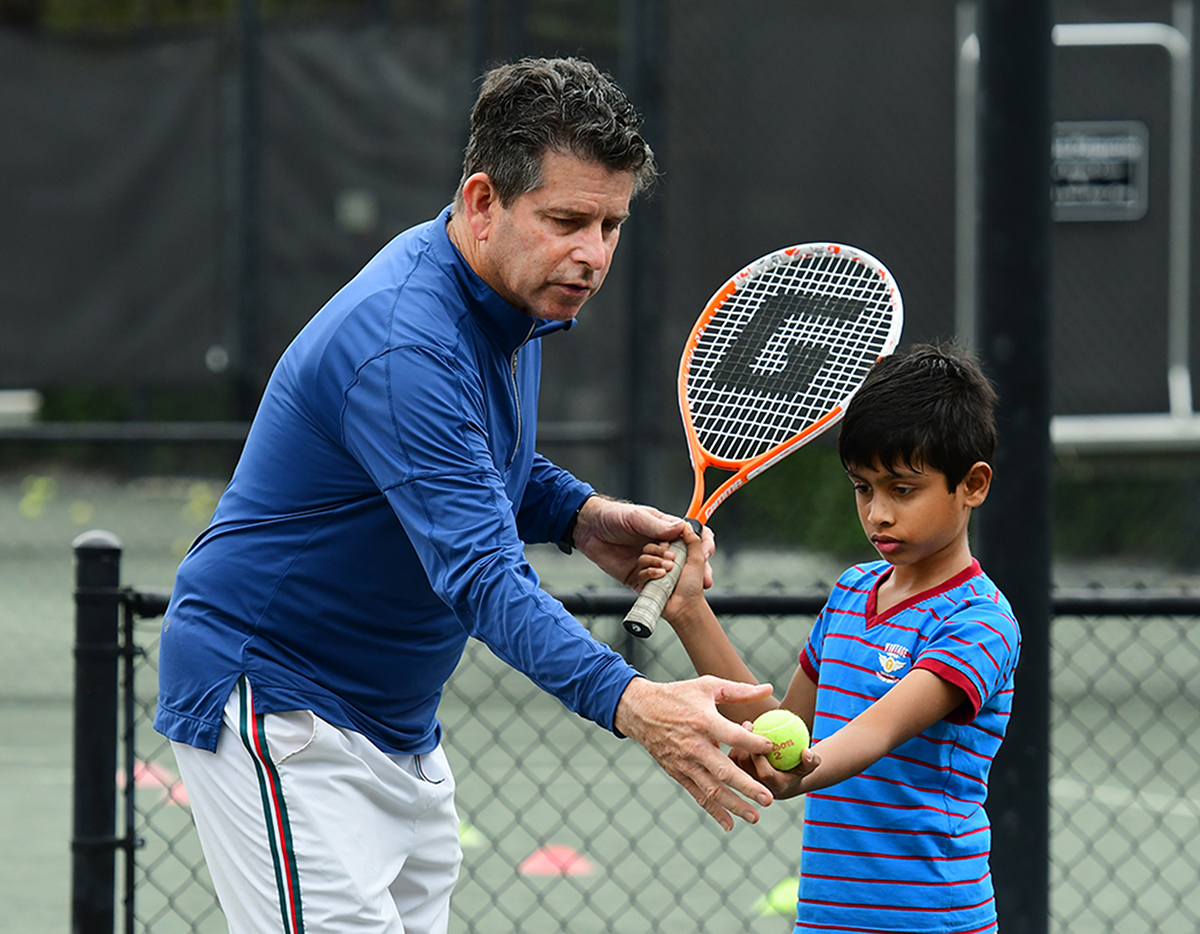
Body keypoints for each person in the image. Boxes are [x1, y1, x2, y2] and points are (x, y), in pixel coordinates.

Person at [154, 56, 776, 934]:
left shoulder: (500, 299)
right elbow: (483, 577)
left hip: (396, 727)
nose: (592, 254)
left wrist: (579, 516)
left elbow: (468, 462)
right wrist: (640, 707)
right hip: (282, 709)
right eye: (566, 220)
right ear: (484, 202)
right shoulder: (407, 342)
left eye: (610, 224)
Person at [639, 343, 1021, 934]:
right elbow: (781, 723)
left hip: (933, 922)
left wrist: (801, 769)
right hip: (824, 920)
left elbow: (874, 731)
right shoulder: (851, 592)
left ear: (971, 485)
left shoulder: (979, 622)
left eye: (902, 488)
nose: (878, 514)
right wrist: (689, 609)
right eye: (863, 488)